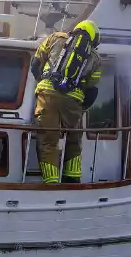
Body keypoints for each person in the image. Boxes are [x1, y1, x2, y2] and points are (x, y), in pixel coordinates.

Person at [30, 20, 101, 184]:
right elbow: (92, 92)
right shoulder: (96, 58)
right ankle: (72, 180)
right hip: (73, 103)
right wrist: (80, 109)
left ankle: (51, 184)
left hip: (47, 97)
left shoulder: (54, 38)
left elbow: (35, 64)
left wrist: (43, 82)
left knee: (49, 141)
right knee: (74, 141)